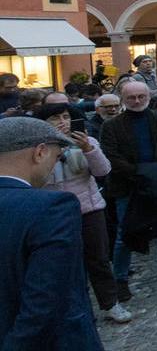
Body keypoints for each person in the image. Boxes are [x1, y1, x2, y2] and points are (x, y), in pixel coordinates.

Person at [0, 117, 104, 349]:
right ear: (40, 152)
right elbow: (47, 300)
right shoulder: (52, 206)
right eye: (56, 158)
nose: (54, 167)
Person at [32, 103, 132, 324]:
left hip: (89, 208)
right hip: (54, 212)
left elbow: (103, 170)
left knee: (99, 259)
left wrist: (89, 149)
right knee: (66, 262)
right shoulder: (37, 149)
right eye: (55, 118)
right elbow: (36, 180)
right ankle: (80, 305)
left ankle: (110, 303)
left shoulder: (87, 142)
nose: (62, 122)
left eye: (66, 117)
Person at [100, 80, 157, 301]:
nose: (137, 101)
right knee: (125, 233)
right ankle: (120, 278)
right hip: (128, 186)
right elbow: (111, 156)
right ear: (123, 99)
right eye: (132, 97)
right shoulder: (111, 126)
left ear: (149, 97)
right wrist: (140, 173)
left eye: (141, 96)